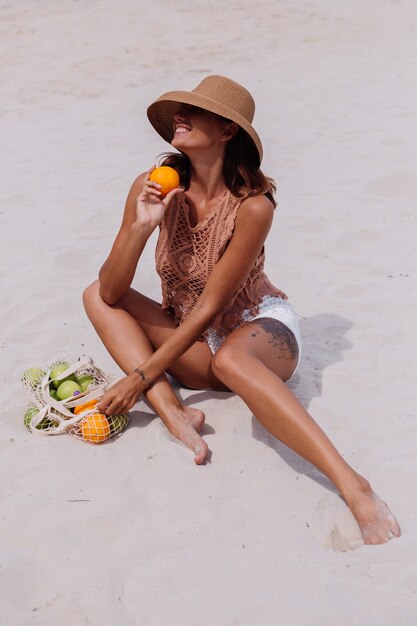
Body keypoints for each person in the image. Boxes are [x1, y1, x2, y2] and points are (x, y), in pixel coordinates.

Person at [83, 75, 400, 545]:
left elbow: (213, 305)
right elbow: (112, 289)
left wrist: (140, 376)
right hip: (192, 342)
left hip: (257, 327)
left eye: (195, 112)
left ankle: (355, 486)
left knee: (232, 358)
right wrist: (141, 226)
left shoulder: (253, 207)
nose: (180, 119)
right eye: (177, 114)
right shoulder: (150, 187)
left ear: (228, 131)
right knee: (94, 294)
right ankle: (175, 414)